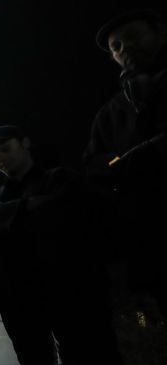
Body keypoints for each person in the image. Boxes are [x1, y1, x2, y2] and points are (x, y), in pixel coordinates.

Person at [0, 125, 143, 365]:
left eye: (4, 149)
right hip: (19, 292)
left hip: (70, 285)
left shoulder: (62, 179)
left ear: (25, 142)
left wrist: (12, 218)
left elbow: (67, 212)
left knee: (89, 358)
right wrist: (28, 210)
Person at [86, 10, 167, 315]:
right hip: (150, 237)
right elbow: (93, 168)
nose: (125, 48)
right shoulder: (110, 113)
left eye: (132, 37)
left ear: (159, 31)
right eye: (116, 46)